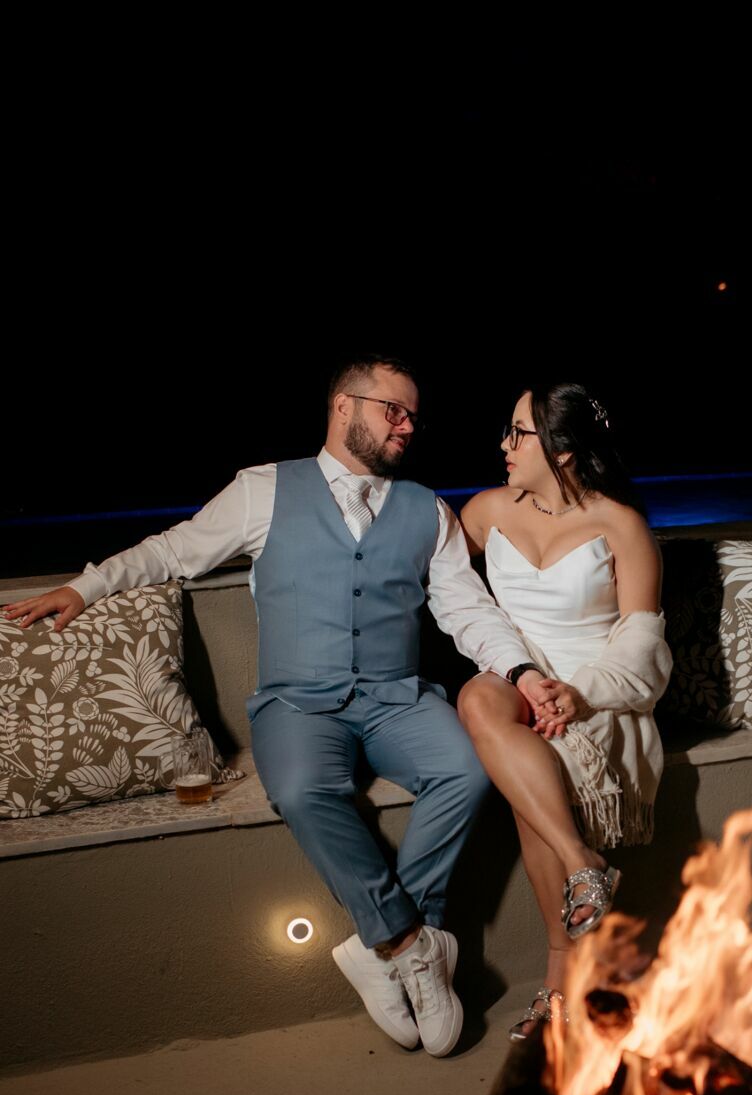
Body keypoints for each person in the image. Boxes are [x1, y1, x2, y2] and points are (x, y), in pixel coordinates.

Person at [2, 355, 558, 1057]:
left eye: (414, 416)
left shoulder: (428, 509)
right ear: (343, 407)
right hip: (298, 703)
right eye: (393, 410)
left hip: (397, 699)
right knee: (300, 788)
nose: (407, 426)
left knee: (469, 771)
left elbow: (466, 610)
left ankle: (391, 947)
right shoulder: (262, 489)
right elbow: (177, 550)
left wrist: (522, 670)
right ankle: (412, 944)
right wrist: (85, 588)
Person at [457, 381, 672, 1040]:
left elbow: (641, 638)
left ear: (565, 449)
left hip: (593, 686)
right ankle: (584, 864)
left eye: (518, 433)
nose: (504, 445)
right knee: (475, 697)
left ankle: (559, 988)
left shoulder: (620, 524)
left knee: (535, 765)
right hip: (515, 676)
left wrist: (580, 691)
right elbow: (439, 582)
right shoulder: (486, 511)